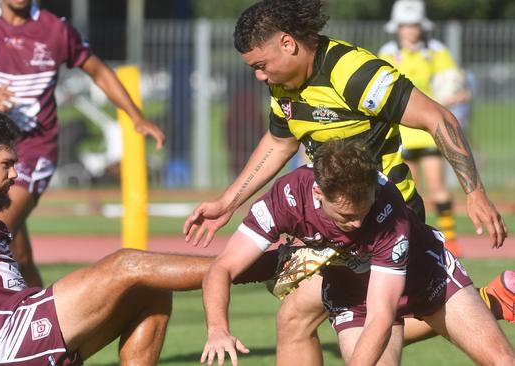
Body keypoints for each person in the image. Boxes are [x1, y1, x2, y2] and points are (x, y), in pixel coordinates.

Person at [183, 0, 510, 364]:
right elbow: (279, 141)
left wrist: (474, 192)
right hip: (337, 230)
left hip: (389, 219)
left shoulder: (353, 73)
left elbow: (437, 118)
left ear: (288, 43)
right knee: (296, 319)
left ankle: (479, 302)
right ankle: (481, 301)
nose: (260, 76)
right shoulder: (284, 82)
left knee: (381, 313)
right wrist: (227, 203)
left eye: (261, 65)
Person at [0, 108, 207, 365]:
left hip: (25, 324)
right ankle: (248, 266)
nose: (16, 173)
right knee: (128, 264)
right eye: (7, 164)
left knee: (153, 288)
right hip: (3, 339)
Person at [201, 138, 515, 366]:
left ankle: (495, 299)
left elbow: (382, 316)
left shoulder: (387, 208)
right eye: (344, 217)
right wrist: (218, 330)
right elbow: (222, 268)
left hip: (427, 277)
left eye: (362, 212)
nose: (356, 223)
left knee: (502, 361)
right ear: (317, 192)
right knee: (293, 318)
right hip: (354, 294)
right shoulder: (286, 198)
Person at [0, 0, 165, 288]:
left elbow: (98, 70)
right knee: (19, 256)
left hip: (33, 150)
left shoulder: (55, 30)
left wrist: (136, 116)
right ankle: (44, 320)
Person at [378, 0, 472, 257]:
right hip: (400, 131)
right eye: (405, 26)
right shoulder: (387, 53)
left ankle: (450, 240)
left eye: (414, 25)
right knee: (406, 191)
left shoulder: (435, 51)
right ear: (397, 28)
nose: (409, 30)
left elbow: (451, 82)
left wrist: (456, 94)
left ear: (421, 26)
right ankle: (411, 238)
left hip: (428, 128)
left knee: (437, 185)